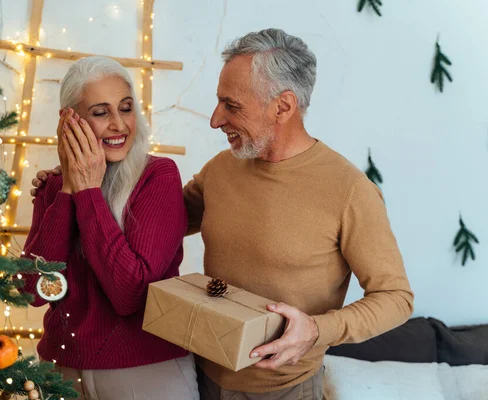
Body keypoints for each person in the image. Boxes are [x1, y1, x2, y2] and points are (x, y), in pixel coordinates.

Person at [32, 29, 414, 400]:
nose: (215, 119)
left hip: (284, 388)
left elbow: (396, 297)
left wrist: (317, 329)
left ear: (282, 106)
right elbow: (144, 217)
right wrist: (70, 184)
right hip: (202, 371)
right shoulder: (222, 169)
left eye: (231, 105)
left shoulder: (348, 190)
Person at [22, 56, 198, 400]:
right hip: (59, 370)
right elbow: (32, 290)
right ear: (69, 120)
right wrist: (69, 190)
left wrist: (87, 191)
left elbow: (130, 294)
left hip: (145, 373)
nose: (119, 124)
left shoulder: (158, 177)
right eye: (101, 112)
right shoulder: (55, 187)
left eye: (126, 108)